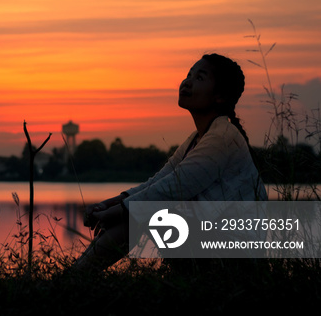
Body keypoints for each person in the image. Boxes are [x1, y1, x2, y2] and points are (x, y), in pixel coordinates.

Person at [72, 53, 268, 271]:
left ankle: (70, 281)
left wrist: (115, 212)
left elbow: (172, 189)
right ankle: (71, 279)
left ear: (220, 96)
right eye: (189, 75)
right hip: (213, 243)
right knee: (138, 212)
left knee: (141, 215)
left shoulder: (222, 137)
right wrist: (109, 204)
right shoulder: (199, 138)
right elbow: (156, 183)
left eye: (200, 78)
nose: (187, 81)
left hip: (237, 257)